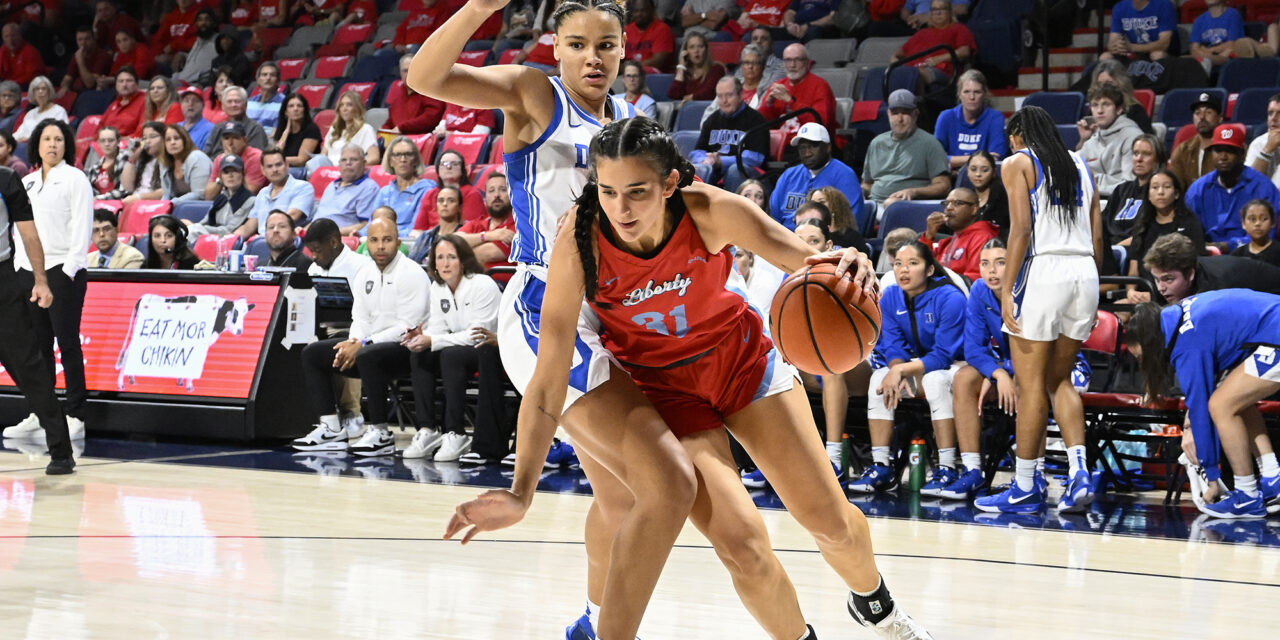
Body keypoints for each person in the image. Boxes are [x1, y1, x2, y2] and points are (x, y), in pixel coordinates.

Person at [413, 2, 826, 637]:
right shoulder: (534, 94)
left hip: (615, 313)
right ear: (556, 48)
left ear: (625, 48)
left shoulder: (632, 124)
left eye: (606, 45)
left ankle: (595, 623)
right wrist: (478, 8)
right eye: (577, 44)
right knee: (665, 481)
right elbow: (424, 78)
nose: (593, 58)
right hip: (545, 309)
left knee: (618, 498)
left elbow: (685, 208)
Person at [454, 116, 934, 640]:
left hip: (743, 365)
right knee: (744, 547)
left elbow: (810, 262)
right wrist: (522, 492)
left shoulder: (709, 210)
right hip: (666, 394)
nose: (621, 207)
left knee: (832, 524)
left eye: (637, 191)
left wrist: (851, 262)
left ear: (669, 184)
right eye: (609, 191)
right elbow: (548, 379)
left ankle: (878, 608)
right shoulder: (579, 237)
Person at [975, 105, 1103, 515]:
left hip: (1045, 269)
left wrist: (1010, 288)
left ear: (1016, 136)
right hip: (1085, 272)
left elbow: (1021, 230)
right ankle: (1080, 469)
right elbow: (1098, 231)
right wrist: (1090, 285)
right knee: (1058, 379)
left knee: (1031, 386)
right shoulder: (1081, 163)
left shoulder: (1017, 162)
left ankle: (1026, 486)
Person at [1124, 293, 1280, 518]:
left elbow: (1200, 410)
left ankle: (1247, 495)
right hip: (1270, 329)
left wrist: (1212, 476)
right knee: (1235, 398)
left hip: (1274, 333)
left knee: (1221, 405)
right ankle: (1272, 476)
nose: (1143, 364)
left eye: (1142, 359)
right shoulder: (1176, 316)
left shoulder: (1186, 345)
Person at [291, 217, 430, 454]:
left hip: (409, 350)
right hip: (370, 347)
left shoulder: (412, 273)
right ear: (368, 244)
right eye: (374, 240)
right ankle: (331, 428)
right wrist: (352, 342)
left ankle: (381, 432)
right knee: (313, 353)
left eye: (387, 240)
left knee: (367, 354)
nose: (381, 246)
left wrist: (364, 343)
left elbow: (407, 327)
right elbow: (361, 319)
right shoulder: (366, 273)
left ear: (398, 241)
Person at [848, 240, 965, 493]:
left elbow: (944, 355)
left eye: (913, 264)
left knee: (935, 382)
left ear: (930, 269)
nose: (904, 270)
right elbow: (892, 346)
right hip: (913, 367)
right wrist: (895, 369)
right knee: (879, 379)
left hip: (956, 367)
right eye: (899, 264)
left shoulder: (951, 298)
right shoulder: (889, 296)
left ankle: (946, 468)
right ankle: (880, 465)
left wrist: (900, 371)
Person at [11, 120, 92, 443]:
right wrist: (20, 269)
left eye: (58, 139)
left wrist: (71, 268)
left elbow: (82, 226)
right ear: (36, 145)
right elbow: (20, 231)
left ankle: (76, 414)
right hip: (29, 271)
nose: (52, 145)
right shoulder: (27, 182)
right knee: (37, 346)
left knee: (67, 343)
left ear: (66, 145)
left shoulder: (76, 179)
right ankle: (40, 412)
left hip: (62, 269)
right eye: (46, 139)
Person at [0, 163, 76, 474]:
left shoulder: (6, 179)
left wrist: (41, 280)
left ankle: (61, 451)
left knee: (30, 369)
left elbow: (29, 235)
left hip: (2, 283)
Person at [401, 234, 505, 462]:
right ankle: (428, 429)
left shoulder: (482, 284)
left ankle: (455, 432)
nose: (445, 263)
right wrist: (422, 337)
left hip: (493, 350)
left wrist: (434, 340)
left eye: (451, 257)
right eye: (440, 258)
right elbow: (437, 329)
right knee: (420, 354)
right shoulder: (438, 289)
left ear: (464, 260)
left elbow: (478, 334)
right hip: (461, 348)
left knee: (450, 356)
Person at [934, 239, 1011, 500]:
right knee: (964, 377)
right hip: (1005, 366)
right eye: (985, 264)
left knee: (1028, 383)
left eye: (1001, 263)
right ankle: (972, 470)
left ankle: (1031, 475)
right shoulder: (979, 289)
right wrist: (997, 372)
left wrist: (1007, 370)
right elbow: (974, 349)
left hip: (1041, 365)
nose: (992, 271)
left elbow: (1038, 350)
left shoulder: (1027, 290)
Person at [1185, 123, 1280, 252]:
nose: (1223, 157)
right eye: (1218, 150)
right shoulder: (1197, 190)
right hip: (1207, 260)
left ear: (1242, 153)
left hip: (1251, 257)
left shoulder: (1263, 187)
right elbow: (1188, 232)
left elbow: (1268, 235)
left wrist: (1228, 246)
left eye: (1229, 151)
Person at [861, 90, 950, 207]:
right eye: (895, 113)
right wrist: (860, 192)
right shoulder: (877, 143)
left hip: (910, 205)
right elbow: (867, 183)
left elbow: (944, 185)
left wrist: (914, 192)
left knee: (891, 205)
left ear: (915, 115)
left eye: (905, 113)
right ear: (888, 114)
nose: (899, 119)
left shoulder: (930, 143)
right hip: (875, 204)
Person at [1142, 232, 1280, 305]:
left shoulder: (1217, 290)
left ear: (1190, 274)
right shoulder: (1179, 274)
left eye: (1168, 279)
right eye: (1156, 279)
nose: (1161, 288)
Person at [770, 123, 862, 230]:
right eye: (802, 148)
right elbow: (773, 216)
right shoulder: (789, 175)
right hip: (786, 239)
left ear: (828, 147)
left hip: (825, 241)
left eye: (813, 146)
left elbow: (849, 223)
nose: (807, 153)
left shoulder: (844, 175)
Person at [1124, 168, 1205, 282]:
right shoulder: (1142, 226)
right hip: (1143, 289)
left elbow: (1198, 263)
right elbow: (1133, 266)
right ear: (1148, 195)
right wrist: (1131, 291)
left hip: (1178, 291)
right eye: (1155, 187)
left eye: (1166, 187)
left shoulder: (1190, 223)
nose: (1160, 192)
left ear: (1176, 194)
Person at [692, 76, 768, 192]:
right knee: (699, 169)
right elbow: (697, 151)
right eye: (720, 96)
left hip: (750, 176)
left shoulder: (756, 119)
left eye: (729, 95)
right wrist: (705, 161)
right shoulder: (712, 120)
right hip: (716, 172)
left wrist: (722, 162)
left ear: (741, 95)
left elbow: (756, 157)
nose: (724, 101)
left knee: (734, 170)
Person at [757, 42, 836, 149]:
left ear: (807, 62)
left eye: (797, 60)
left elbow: (820, 123)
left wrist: (791, 101)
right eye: (788, 60)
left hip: (807, 144)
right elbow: (762, 124)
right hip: (778, 143)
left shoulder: (820, 86)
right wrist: (768, 105)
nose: (792, 65)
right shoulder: (778, 86)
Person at [1076, 83, 1143, 198]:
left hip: (1120, 201)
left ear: (1118, 109)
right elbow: (1076, 171)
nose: (1100, 110)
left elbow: (1130, 184)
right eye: (1095, 105)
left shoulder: (1132, 137)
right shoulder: (1093, 138)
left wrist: (1093, 187)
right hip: (1094, 199)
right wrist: (1084, 140)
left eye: (1106, 104)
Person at [920, 187, 998, 282]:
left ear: (974, 209)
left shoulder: (983, 237)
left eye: (957, 203)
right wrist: (929, 236)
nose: (949, 208)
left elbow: (976, 279)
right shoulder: (946, 242)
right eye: (946, 203)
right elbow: (919, 267)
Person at [891, 0, 975, 87]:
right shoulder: (922, 33)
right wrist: (895, 63)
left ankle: (915, 99)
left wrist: (940, 58)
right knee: (881, 73)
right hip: (914, 68)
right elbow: (897, 54)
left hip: (941, 69)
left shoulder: (959, 28)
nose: (938, 13)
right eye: (934, 10)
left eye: (942, 9)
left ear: (950, 11)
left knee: (915, 75)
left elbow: (964, 51)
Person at [934, 70, 1005, 171]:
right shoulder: (946, 117)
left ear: (985, 94)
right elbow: (935, 158)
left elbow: (996, 158)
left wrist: (953, 161)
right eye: (967, 92)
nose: (972, 97)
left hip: (984, 176)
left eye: (977, 92)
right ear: (959, 94)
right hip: (951, 176)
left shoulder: (995, 118)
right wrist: (980, 158)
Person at [1102, 133, 1165, 243]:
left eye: (1146, 154)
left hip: (1137, 250)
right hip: (1110, 248)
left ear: (1157, 161)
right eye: (1136, 153)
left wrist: (1118, 248)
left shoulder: (1160, 193)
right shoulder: (1121, 190)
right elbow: (1101, 224)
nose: (1139, 159)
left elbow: (1154, 233)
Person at [245, 147, 315, 237]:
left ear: (286, 165)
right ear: (263, 170)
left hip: (285, 243)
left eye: (278, 165)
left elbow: (291, 216)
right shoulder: (262, 193)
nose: (274, 170)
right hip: (261, 242)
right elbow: (249, 226)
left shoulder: (303, 187)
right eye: (269, 166)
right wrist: (230, 239)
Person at [312, 145, 380, 236]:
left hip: (338, 239)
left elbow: (366, 225)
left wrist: (330, 233)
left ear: (364, 163)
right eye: (343, 160)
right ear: (339, 164)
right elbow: (319, 217)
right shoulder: (331, 186)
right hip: (316, 235)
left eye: (354, 159)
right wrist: (304, 230)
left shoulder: (369, 187)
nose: (348, 163)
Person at [412, 150, 486, 230]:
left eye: (454, 164)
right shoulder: (430, 194)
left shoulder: (472, 194)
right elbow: (418, 229)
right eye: (444, 164)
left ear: (462, 170)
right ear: (438, 170)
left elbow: (471, 229)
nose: (448, 167)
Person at [1190, 0, 1271, 73]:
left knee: (1225, 54)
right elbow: (1194, 49)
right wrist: (1209, 53)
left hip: (1229, 57)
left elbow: (1231, 45)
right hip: (1209, 55)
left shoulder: (1233, 15)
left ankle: (1206, 62)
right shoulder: (1199, 20)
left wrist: (1206, 50)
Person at [375, 136, 434, 236]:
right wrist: (358, 234)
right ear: (390, 161)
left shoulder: (427, 190)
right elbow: (372, 223)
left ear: (415, 160)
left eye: (408, 154)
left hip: (408, 241)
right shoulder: (385, 192)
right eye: (397, 155)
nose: (403, 159)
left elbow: (416, 227)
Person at [456, 172, 517, 268]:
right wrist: (488, 236)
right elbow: (454, 242)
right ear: (485, 198)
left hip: (502, 282)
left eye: (503, 190)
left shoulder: (518, 225)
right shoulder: (477, 223)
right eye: (491, 191)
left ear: (512, 195)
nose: (497, 195)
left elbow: (490, 253)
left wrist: (458, 253)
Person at [311, 90, 380, 172]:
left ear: (357, 108)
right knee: (317, 160)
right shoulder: (334, 129)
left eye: (349, 105)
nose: (344, 109)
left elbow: (374, 158)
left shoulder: (365, 129)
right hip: (328, 169)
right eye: (341, 105)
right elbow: (323, 155)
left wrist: (352, 167)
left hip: (348, 170)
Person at [189, 155, 256, 238]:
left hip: (227, 239)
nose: (230, 175)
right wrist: (192, 227)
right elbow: (205, 221)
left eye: (235, 171)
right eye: (226, 172)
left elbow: (229, 230)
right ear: (221, 176)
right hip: (209, 236)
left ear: (242, 174)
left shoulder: (250, 199)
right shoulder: (221, 197)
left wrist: (198, 228)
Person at [1170, 92, 1224, 190]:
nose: (1202, 117)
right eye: (1197, 113)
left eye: (1208, 112)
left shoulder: (1231, 148)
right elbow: (1174, 187)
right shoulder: (1183, 150)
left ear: (1220, 118)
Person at [386, 54, 446, 134]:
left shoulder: (431, 92)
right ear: (400, 73)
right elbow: (390, 122)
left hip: (420, 140)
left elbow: (431, 119)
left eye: (412, 69)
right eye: (405, 71)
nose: (409, 74)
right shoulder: (398, 96)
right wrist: (384, 130)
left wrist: (402, 128)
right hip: (397, 139)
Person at [204, 121, 266, 197]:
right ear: (222, 141)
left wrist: (233, 161)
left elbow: (250, 192)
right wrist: (223, 171)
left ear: (245, 140)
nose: (230, 143)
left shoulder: (256, 157)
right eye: (226, 138)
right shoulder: (220, 159)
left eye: (235, 138)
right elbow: (209, 196)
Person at [203, 87, 270, 155]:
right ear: (223, 106)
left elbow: (256, 158)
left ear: (245, 105)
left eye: (237, 101)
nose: (233, 105)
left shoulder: (255, 128)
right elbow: (206, 154)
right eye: (229, 102)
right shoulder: (218, 128)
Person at [1104, 0, 1176, 62]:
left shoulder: (1164, 5)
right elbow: (1111, 44)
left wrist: (1132, 47)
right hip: (1133, 52)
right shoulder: (1119, 7)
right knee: (1105, 57)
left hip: (1159, 52)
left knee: (1157, 55)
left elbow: (1164, 44)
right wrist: (1118, 46)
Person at [410, 185, 466, 263]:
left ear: (460, 207)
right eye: (441, 200)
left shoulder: (464, 236)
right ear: (436, 206)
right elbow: (411, 263)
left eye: (451, 200)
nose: (445, 204)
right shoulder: (425, 237)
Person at [160, 124, 213, 203]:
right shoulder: (164, 163)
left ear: (185, 140)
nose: (172, 142)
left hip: (201, 207)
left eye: (176, 138)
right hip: (178, 207)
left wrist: (172, 203)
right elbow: (166, 195)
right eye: (168, 140)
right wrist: (161, 206)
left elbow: (199, 194)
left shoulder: (197, 158)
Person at [962, 150, 1009, 236]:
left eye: (984, 170)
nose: (978, 174)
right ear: (967, 171)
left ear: (993, 172)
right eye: (973, 169)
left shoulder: (1005, 197)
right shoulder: (963, 196)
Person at [272, 93, 322, 174]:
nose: (295, 109)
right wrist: (285, 133)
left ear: (304, 110)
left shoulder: (312, 129)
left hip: (303, 170)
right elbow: (276, 152)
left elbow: (301, 160)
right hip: (284, 167)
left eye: (299, 106)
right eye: (291, 106)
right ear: (285, 112)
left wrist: (277, 160)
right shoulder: (282, 130)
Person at [58, 25, 112, 99]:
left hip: (95, 94)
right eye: (80, 40)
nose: (83, 43)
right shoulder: (77, 55)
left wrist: (80, 62)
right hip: (79, 93)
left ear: (94, 39)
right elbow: (67, 78)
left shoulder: (102, 56)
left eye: (87, 39)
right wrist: (65, 87)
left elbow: (90, 84)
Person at [668, 33, 725, 102]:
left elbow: (710, 93)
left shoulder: (716, 69)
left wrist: (691, 98)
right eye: (692, 47)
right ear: (686, 52)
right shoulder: (684, 72)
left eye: (700, 46)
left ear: (706, 50)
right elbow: (673, 94)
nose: (696, 51)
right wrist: (681, 67)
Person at [120, 122, 166, 204]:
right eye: (144, 138)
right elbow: (128, 187)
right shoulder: (142, 159)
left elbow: (167, 191)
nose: (147, 141)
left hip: (154, 204)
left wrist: (139, 197)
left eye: (152, 137)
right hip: (136, 202)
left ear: (164, 138)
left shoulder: (169, 160)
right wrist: (132, 159)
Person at [807, 186, 864, 250]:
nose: (815, 206)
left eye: (822, 202)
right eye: (812, 203)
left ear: (835, 205)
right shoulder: (804, 234)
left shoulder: (853, 237)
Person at [13, 77, 67, 144]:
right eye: (37, 89)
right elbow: (19, 134)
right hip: (21, 145)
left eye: (44, 89)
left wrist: (29, 140)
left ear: (49, 92)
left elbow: (58, 134)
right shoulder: (30, 113)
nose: (40, 91)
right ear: (33, 94)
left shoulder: (59, 111)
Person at [624, 0, 674, 72]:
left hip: (653, 74)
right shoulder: (627, 30)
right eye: (636, 11)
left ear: (652, 11)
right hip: (627, 74)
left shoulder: (662, 29)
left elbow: (658, 61)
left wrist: (630, 67)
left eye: (643, 10)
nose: (639, 14)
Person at [173, 8, 218, 85]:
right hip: (179, 80)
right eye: (200, 20)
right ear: (196, 23)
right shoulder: (199, 40)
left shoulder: (218, 42)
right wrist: (182, 55)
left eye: (207, 19)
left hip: (193, 84)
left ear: (213, 23)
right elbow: (198, 59)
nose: (203, 23)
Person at [733, 42, 783, 110]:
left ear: (763, 66)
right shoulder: (732, 86)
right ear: (741, 66)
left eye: (755, 63)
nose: (750, 66)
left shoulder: (769, 90)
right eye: (747, 62)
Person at [1231, 199, 1280, 267]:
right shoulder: (1237, 255)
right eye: (1252, 219)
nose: (1257, 223)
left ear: (1273, 222)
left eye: (1263, 219)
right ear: (1243, 224)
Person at [1247, 92, 1280, 190]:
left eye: (1279, 113)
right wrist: (1267, 150)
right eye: (1270, 113)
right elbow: (1250, 183)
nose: (1273, 118)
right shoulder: (1259, 143)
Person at [100, 67, 145, 139]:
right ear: (116, 85)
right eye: (121, 81)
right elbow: (101, 126)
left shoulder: (144, 101)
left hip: (128, 145)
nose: (124, 84)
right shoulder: (114, 103)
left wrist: (119, 140)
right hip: (106, 143)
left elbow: (142, 131)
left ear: (137, 84)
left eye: (129, 81)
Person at [0, 23, 47, 87]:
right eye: (7, 36)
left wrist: (10, 84)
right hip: (9, 86)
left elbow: (31, 77)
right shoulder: (2, 51)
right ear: (3, 38)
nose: (10, 40)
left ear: (20, 35)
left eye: (13, 35)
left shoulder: (30, 51)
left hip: (27, 86)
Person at [86, 126, 128, 198]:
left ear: (118, 142)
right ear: (98, 143)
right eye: (102, 141)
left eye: (111, 140)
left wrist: (99, 198)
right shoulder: (94, 168)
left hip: (118, 206)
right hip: (97, 205)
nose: (106, 144)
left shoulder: (126, 160)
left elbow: (125, 191)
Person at [246, 62, 286, 136]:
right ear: (258, 80)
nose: (268, 78)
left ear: (278, 80)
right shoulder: (249, 102)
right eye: (264, 75)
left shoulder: (284, 103)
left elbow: (276, 134)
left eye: (272, 75)